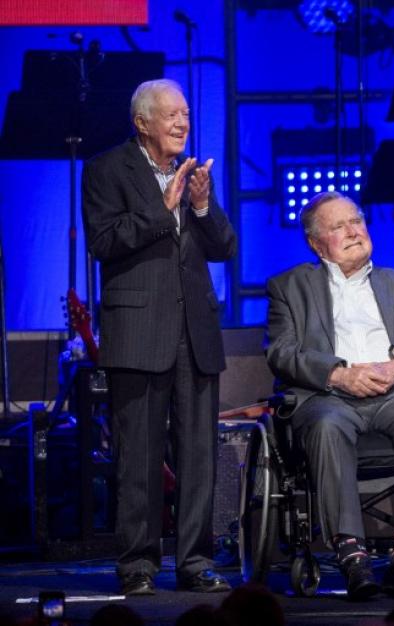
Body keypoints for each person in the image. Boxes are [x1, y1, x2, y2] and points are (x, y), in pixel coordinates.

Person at [82, 79, 237, 596]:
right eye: (170, 115)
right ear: (142, 122)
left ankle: (195, 562)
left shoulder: (193, 176)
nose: (182, 123)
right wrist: (163, 207)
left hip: (194, 333)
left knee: (198, 457)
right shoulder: (107, 169)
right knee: (140, 458)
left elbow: (225, 247)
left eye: (186, 114)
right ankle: (139, 565)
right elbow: (104, 241)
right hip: (138, 333)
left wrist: (198, 206)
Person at [265, 192, 394, 600]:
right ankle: (351, 553)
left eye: (357, 221)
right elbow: (281, 352)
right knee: (328, 426)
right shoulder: (289, 287)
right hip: (329, 397)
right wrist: (337, 374)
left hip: (393, 393)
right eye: (338, 227)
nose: (353, 232)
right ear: (316, 244)